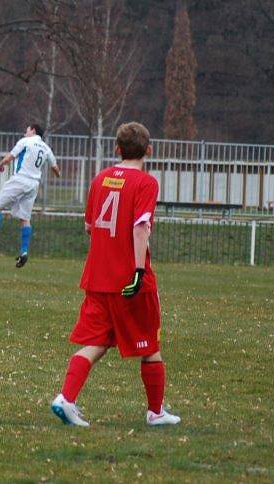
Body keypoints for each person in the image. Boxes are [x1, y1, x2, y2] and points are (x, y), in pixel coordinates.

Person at [51, 122, 180, 427]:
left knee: (96, 342)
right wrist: (137, 271)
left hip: (98, 278)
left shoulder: (100, 179)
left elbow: (89, 226)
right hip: (128, 280)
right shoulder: (146, 183)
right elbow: (140, 227)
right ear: (149, 150)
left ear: (116, 149)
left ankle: (66, 399)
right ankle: (156, 411)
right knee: (150, 346)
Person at [0, 124, 60, 268]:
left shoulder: (25, 141)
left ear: (33, 131)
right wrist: (58, 175)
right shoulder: (46, 148)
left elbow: (10, 157)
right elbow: (55, 168)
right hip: (33, 185)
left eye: (27, 129)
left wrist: (0, 164)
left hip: (20, 179)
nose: (25, 132)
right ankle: (24, 252)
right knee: (25, 219)